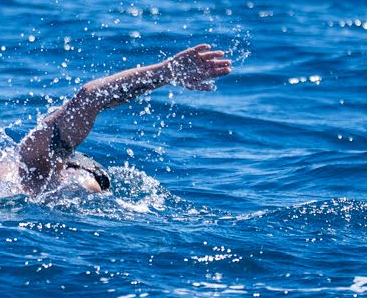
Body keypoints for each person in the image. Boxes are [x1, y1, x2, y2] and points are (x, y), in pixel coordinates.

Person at [13, 44, 233, 195]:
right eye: (91, 179)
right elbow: (90, 96)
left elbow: (90, 98)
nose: (90, 189)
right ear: (70, 166)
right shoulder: (35, 161)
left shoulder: (25, 167)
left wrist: (167, 72)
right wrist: (166, 71)